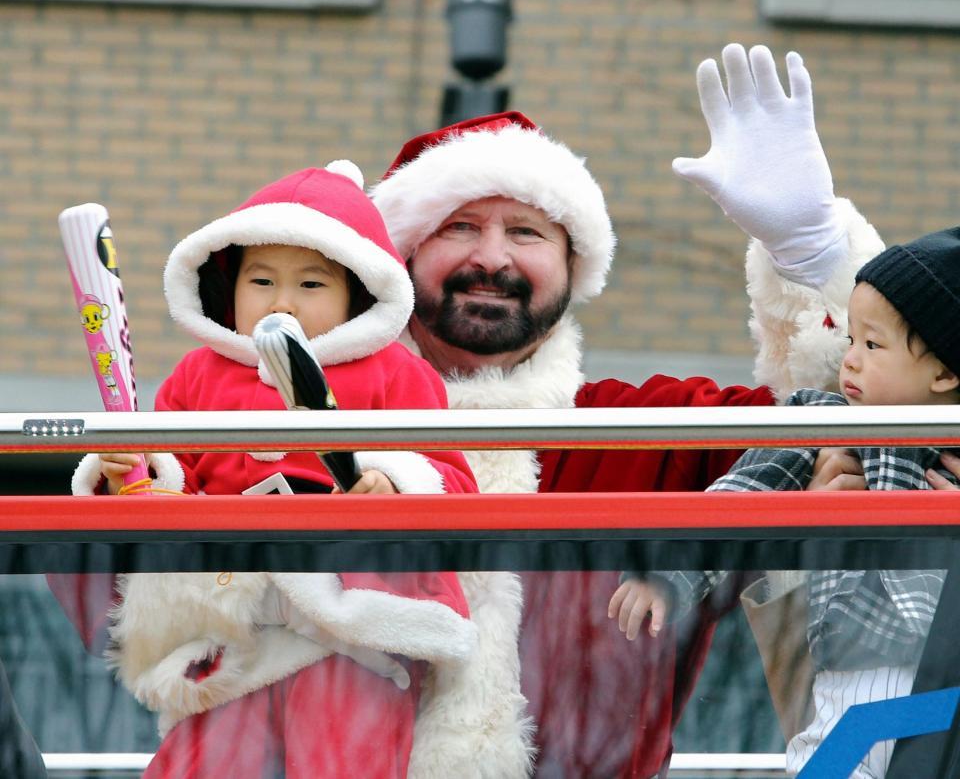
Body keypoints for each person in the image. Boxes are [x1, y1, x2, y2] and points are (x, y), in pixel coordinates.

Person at [369, 43, 889, 777]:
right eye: (458, 227)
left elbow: (854, 417)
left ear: (572, 266)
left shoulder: (640, 430)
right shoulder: (321, 425)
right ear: (402, 253)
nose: (493, 258)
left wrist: (811, 253)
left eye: (526, 232)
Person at [66, 163, 530, 778]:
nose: (281, 301)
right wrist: (130, 471)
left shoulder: (396, 372)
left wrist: (393, 480)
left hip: (352, 631)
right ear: (226, 286)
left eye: (311, 285)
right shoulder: (196, 376)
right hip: (232, 631)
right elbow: (166, 483)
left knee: (343, 762)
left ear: (358, 294)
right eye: (261, 279)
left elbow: (452, 480)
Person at [614, 225, 960, 778]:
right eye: (849, 340)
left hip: (946, 668)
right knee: (828, 764)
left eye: (872, 346)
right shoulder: (824, 421)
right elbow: (739, 501)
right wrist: (667, 570)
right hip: (855, 667)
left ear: (944, 372)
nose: (849, 360)